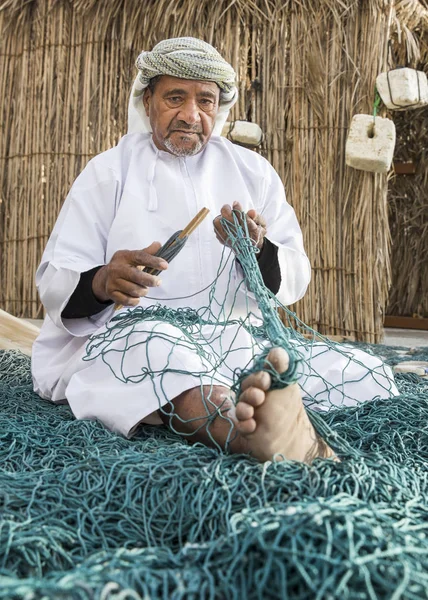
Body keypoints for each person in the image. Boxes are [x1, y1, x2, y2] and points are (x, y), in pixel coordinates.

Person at [32, 38, 397, 463]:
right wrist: (103, 280)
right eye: (175, 98)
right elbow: (57, 277)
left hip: (231, 339)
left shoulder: (252, 171)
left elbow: (295, 274)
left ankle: (266, 408)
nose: (191, 115)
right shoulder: (109, 172)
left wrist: (258, 249)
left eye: (205, 100)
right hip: (131, 334)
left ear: (218, 108)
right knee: (158, 353)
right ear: (147, 100)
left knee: (364, 371)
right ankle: (250, 433)